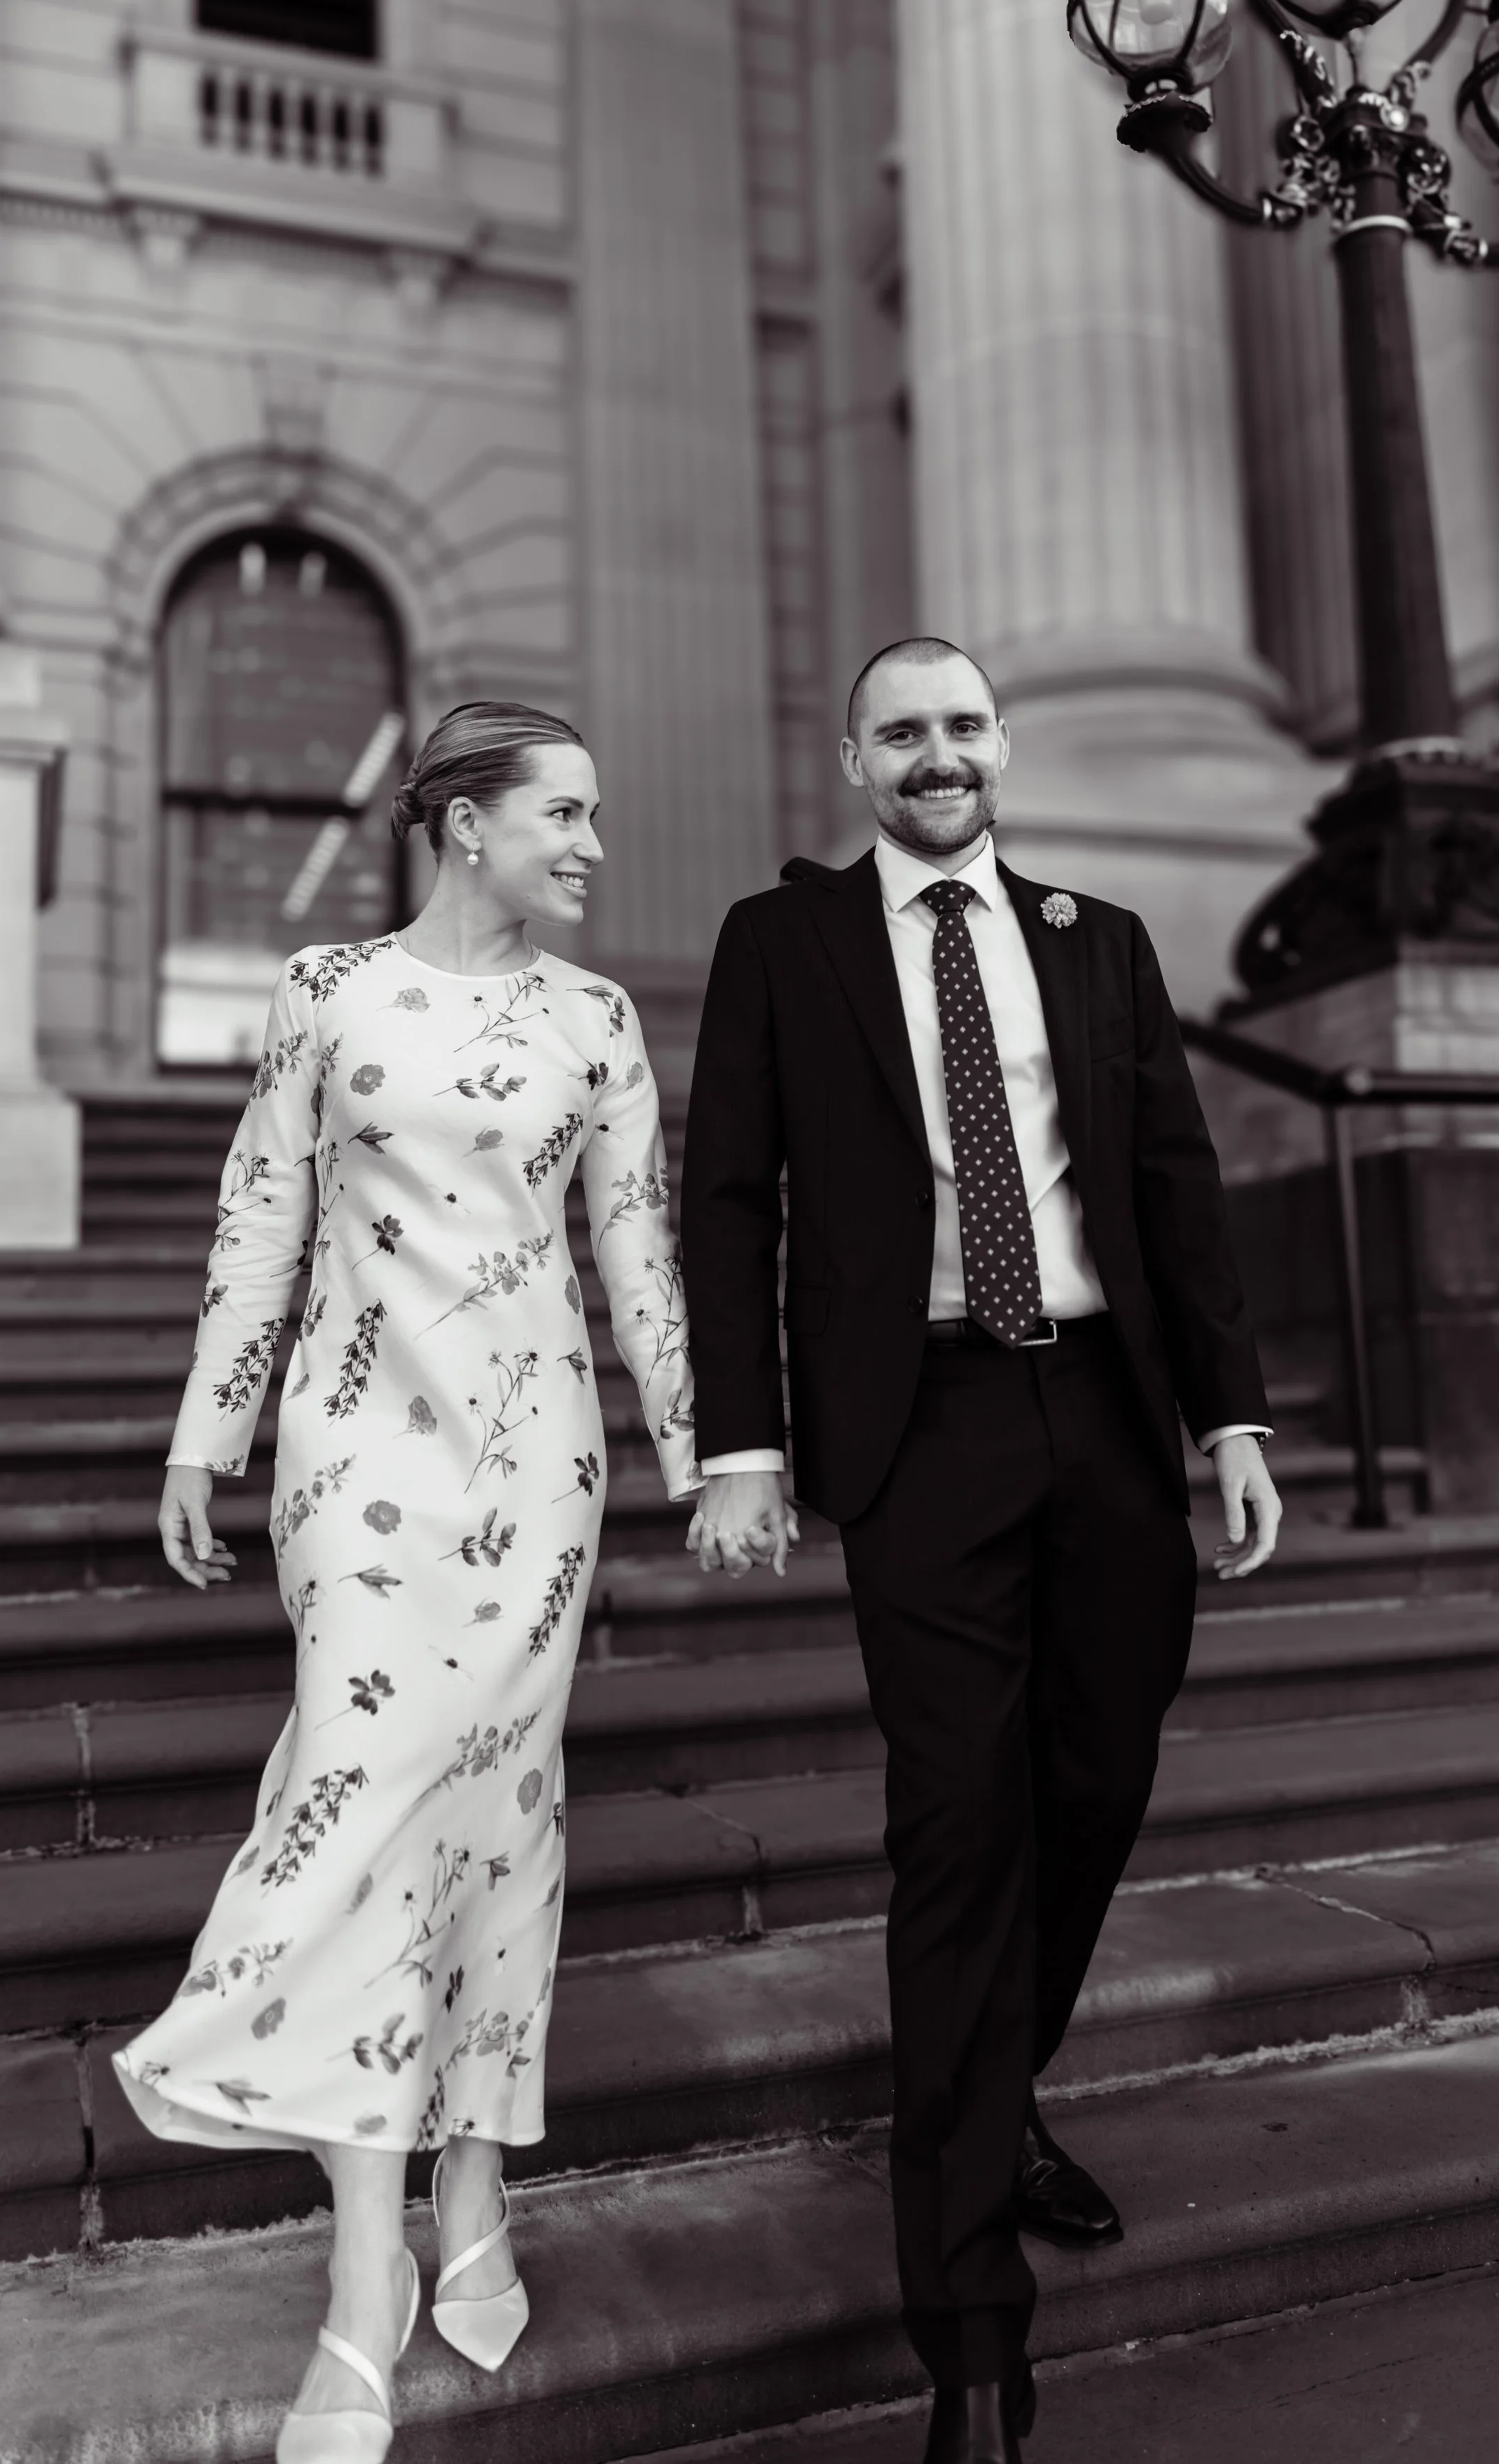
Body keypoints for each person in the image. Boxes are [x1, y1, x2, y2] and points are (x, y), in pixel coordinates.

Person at [680, 638, 1281, 2464]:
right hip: (917, 1426)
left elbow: (1170, 1176)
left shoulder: (1095, 933)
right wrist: (739, 1434)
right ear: (856, 763)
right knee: (958, 1830)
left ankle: (989, 2087)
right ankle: (968, 2342)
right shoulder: (779, 942)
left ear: (996, 747)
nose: (938, 755)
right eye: (903, 733)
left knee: (1090, 1781)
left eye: (962, 725)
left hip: (1102, 1413)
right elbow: (726, 1189)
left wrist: (1228, 1411)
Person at [114, 701, 698, 2464]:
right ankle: (367, 2272)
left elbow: (632, 1247)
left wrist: (705, 1454)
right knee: (361, 1790)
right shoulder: (327, 990)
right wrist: (200, 1440)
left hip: (532, 1470)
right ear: (465, 825)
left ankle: (471, 2171)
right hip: (358, 1456)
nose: (594, 846)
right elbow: (261, 1217)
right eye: (566, 815)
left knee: (499, 1813)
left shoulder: (596, 1017)